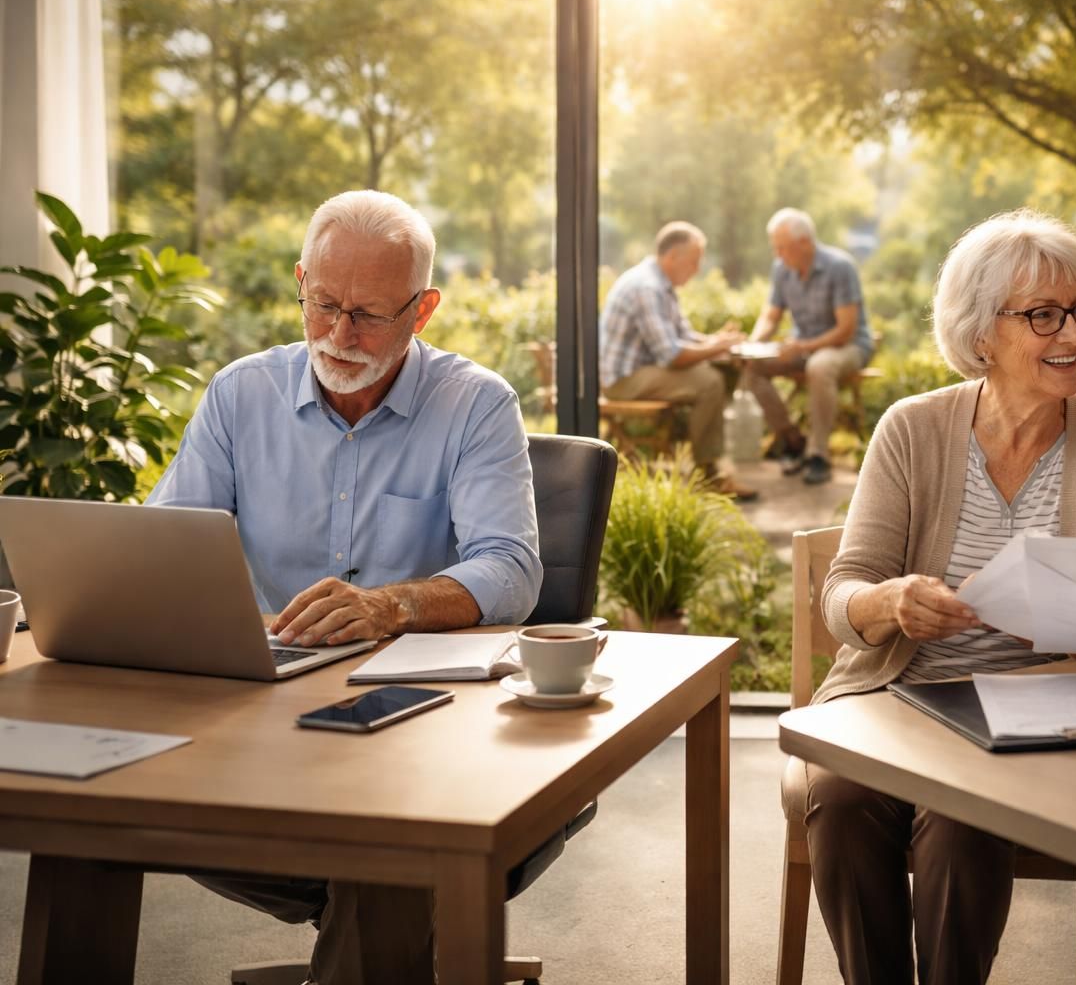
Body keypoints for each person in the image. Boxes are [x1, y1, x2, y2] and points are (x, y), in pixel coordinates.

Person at [148, 189, 544, 985]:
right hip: (259, 713)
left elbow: (512, 565)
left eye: (367, 315)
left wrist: (391, 605)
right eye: (322, 303)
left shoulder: (475, 405)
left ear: (422, 310)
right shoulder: (240, 395)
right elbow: (163, 551)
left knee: (391, 845)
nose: (337, 334)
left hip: (422, 723)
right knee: (109, 799)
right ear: (301, 280)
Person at [804, 209, 1076, 985]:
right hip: (898, 696)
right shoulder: (911, 430)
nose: (1073, 332)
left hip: (1038, 713)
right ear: (980, 335)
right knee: (838, 799)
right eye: (1042, 315)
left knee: (964, 817)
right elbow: (841, 593)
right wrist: (891, 601)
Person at [598, 221, 756, 500]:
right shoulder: (647, 288)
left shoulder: (660, 284)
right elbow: (672, 356)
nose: (697, 270)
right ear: (672, 257)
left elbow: (682, 336)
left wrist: (716, 342)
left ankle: (701, 450)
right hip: (622, 381)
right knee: (709, 381)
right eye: (694, 262)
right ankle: (708, 473)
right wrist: (716, 346)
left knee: (722, 369)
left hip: (642, 371)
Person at [741, 207, 874, 485]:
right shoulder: (782, 269)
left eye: (782, 248)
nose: (778, 255)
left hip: (847, 346)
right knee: (752, 368)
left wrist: (803, 346)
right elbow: (771, 315)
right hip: (804, 346)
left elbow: (845, 330)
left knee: (820, 365)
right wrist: (754, 344)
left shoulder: (840, 267)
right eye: (775, 248)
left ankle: (818, 455)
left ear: (805, 243)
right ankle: (791, 439)